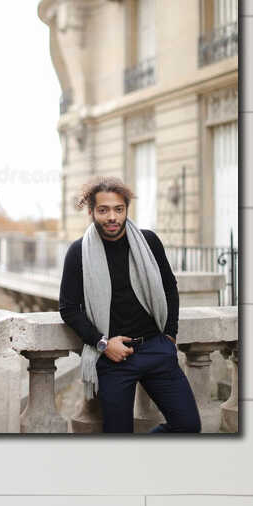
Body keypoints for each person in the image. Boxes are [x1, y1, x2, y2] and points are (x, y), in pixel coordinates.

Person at [56, 177, 201, 434]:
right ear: (91, 212)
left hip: (157, 349)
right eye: (103, 210)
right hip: (113, 357)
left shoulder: (149, 242)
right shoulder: (78, 252)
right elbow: (69, 308)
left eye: (118, 209)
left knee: (188, 426)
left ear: (126, 210)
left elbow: (169, 287)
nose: (112, 217)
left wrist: (170, 335)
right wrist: (103, 343)